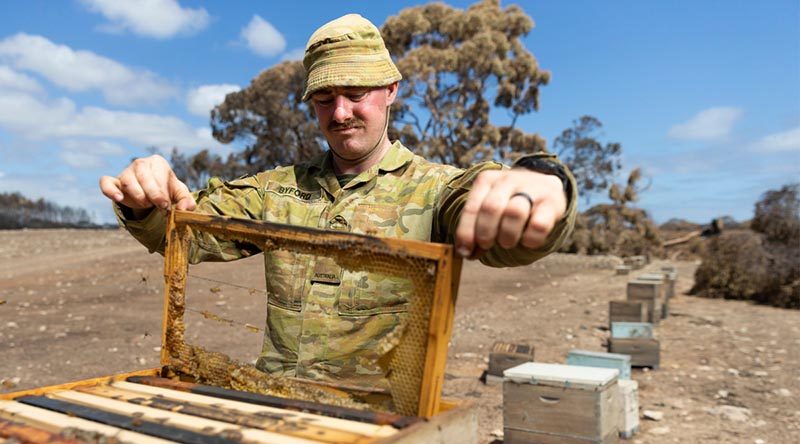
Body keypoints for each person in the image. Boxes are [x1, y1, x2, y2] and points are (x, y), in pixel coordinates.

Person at [99, 14, 577, 396]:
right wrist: (146, 200)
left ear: (391, 91)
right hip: (270, 408)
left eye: (355, 94)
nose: (341, 113)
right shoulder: (276, 190)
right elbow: (185, 234)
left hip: (387, 423)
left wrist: (539, 185)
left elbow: (494, 222)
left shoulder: (436, 190)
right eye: (325, 98)